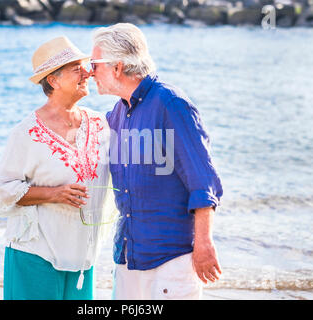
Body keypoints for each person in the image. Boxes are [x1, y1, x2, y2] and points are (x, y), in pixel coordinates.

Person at [90, 23, 224, 300]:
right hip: (128, 257)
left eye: (94, 65)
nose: (90, 73)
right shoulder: (116, 114)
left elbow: (203, 181)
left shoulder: (171, 104)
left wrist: (204, 244)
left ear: (117, 67)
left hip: (171, 259)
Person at [0, 36, 114, 300]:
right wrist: (54, 193)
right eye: (77, 69)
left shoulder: (100, 124)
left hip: (82, 259)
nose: (88, 72)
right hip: (34, 255)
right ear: (53, 80)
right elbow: (3, 191)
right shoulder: (26, 132)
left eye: (85, 66)